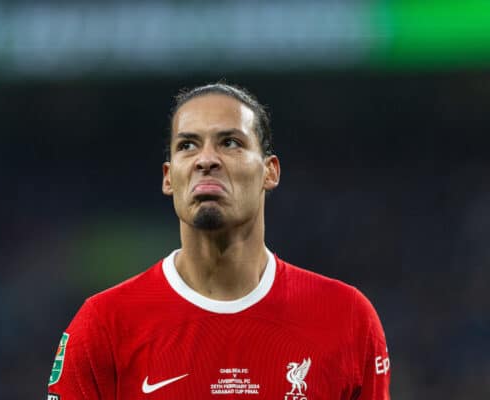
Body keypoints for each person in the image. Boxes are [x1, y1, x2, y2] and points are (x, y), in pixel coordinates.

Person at [47, 83, 391, 399]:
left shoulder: (347, 318)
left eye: (230, 143)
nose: (206, 159)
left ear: (269, 172)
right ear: (169, 178)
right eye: (187, 145)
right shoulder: (103, 325)